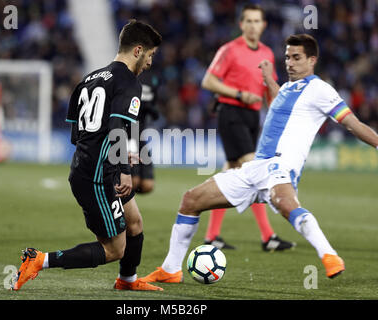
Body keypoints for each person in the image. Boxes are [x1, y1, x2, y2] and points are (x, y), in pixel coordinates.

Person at [142, 34, 378, 284]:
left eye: (296, 58)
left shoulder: (320, 90)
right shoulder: (288, 88)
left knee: (286, 204)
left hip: (280, 167)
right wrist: (268, 79)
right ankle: (170, 269)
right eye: (287, 57)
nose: (289, 63)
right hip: (255, 168)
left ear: (312, 60)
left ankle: (329, 255)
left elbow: (353, 124)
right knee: (190, 200)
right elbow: (279, 105)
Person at [11, 19, 163, 291]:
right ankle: (40, 260)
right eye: (151, 55)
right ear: (138, 50)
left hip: (93, 167)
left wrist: (109, 155)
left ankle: (127, 281)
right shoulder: (128, 82)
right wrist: (124, 169)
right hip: (98, 177)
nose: (151, 62)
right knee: (115, 249)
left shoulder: (89, 79)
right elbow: (118, 126)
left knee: (135, 223)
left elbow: (76, 134)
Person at [201, 3, 294, 251]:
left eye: (257, 21)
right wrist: (240, 94)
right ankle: (268, 237)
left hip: (253, 118)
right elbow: (208, 81)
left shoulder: (267, 53)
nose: (253, 25)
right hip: (231, 112)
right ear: (242, 25)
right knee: (255, 170)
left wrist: (277, 120)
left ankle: (211, 236)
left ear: (263, 25)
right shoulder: (229, 50)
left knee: (230, 173)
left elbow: (269, 90)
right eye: (249, 21)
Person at [129, 71, 160, 194]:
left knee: (147, 185)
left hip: (140, 135)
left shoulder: (152, 77)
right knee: (133, 181)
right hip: (125, 136)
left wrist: (151, 109)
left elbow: (154, 107)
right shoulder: (126, 75)